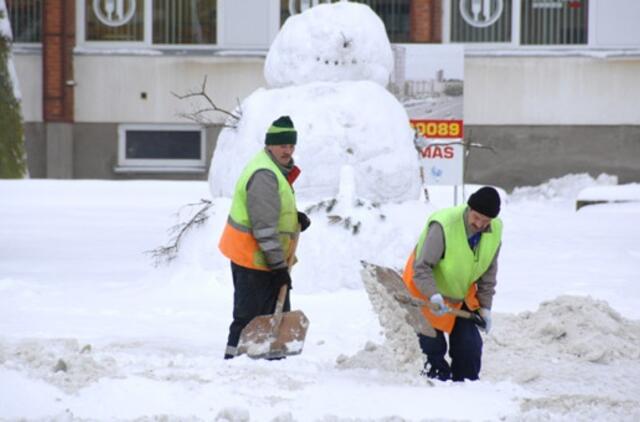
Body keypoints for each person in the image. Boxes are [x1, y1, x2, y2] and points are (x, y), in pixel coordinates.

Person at [218, 115, 311, 359]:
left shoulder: (274, 170)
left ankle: (270, 360)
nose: (288, 151)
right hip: (253, 259)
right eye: (283, 145)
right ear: (270, 144)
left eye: (291, 146)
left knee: (273, 317)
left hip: (264, 259)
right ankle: (233, 361)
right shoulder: (264, 175)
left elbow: (271, 210)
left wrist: (294, 218)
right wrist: (279, 267)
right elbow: (263, 227)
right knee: (249, 319)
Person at [402, 186, 503, 381]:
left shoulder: (495, 230)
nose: (480, 224)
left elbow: (488, 276)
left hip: (458, 293)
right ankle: (436, 392)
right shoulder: (443, 226)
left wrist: (485, 308)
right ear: (469, 209)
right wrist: (433, 295)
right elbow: (421, 269)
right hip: (424, 291)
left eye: (486, 220)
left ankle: (465, 390)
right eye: (476, 217)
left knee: (469, 348)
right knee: (432, 351)